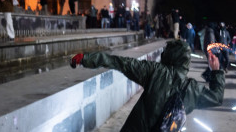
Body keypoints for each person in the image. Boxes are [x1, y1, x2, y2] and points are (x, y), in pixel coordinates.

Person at [70, 40, 225, 131]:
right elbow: (217, 97)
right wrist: (216, 72)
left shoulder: (155, 72)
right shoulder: (192, 89)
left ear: (169, 55)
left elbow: (120, 63)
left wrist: (86, 58)